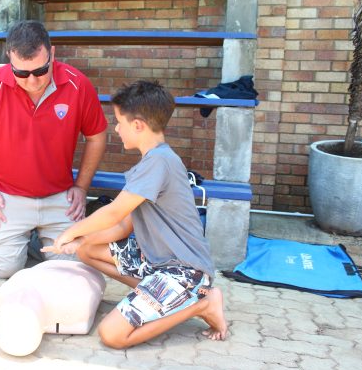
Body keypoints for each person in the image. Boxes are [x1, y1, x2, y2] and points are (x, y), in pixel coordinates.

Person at [42, 80, 227, 349]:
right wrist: (80, 241)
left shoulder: (159, 162)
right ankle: (156, 296)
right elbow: (122, 227)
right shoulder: (152, 162)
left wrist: (70, 232)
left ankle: (202, 304)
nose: (116, 129)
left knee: (112, 334)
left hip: (184, 271)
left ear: (138, 125)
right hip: (156, 261)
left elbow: (113, 212)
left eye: (119, 122)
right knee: (87, 250)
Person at [0, 20, 107, 278]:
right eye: (21, 73)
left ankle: (31, 239)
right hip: (7, 197)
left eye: (40, 70)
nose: (32, 81)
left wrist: (81, 187)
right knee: (4, 268)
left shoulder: (78, 84)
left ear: (52, 53)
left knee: (73, 267)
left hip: (59, 197)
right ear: (9, 59)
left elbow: (97, 137)